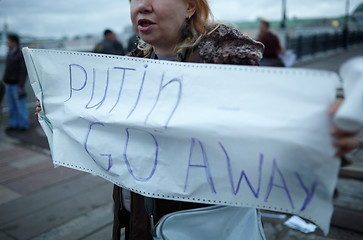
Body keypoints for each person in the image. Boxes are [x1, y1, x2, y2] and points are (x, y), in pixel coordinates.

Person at [36, 0, 360, 239]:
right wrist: (60, 113)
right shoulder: (124, 74)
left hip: (207, 226)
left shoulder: (229, 64)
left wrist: (320, 133)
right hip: (138, 224)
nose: (141, 6)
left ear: (191, 6)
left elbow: (275, 131)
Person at [3, 33, 28, 131]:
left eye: (8, 41)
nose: (7, 43)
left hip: (17, 85)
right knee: (12, 106)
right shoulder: (9, 52)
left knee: (20, 106)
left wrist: (21, 85)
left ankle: (23, 126)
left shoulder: (20, 54)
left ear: (14, 42)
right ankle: (14, 124)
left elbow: (23, 71)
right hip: (9, 84)